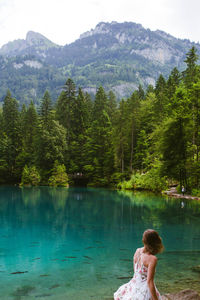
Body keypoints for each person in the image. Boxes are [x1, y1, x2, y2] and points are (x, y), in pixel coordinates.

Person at [114, 229, 164, 300]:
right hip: (144, 289)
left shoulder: (137, 251)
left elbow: (136, 272)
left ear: (144, 240)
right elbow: (149, 281)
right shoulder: (152, 259)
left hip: (134, 284)